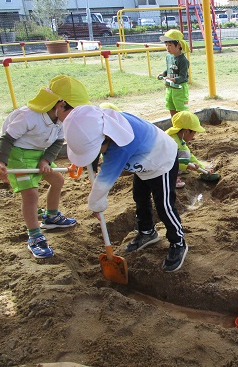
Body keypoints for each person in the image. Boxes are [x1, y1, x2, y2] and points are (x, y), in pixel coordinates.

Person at [63, 105, 187, 272]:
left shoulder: (121, 146)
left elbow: (104, 181)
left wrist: (95, 204)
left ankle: (178, 242)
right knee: (140, 197)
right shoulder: (103, 127)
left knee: (164, 206)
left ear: (106, 138)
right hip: (142, 165)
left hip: (161, 162)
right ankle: (147, 232)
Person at [0, 75, 89, 259]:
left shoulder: (62, 120)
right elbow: (7, 139)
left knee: (58, 180)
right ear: (61, 105)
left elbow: (57, 142)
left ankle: (51, 216)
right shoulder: (28, 116)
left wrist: (45, 160)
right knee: (30, 194)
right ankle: (35, 236)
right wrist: (1, 163)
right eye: (74, 110)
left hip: (38, 153)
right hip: (18, 155)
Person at [165, 111, 219, 188]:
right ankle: (170, 179)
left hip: (167, 162)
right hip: (157, 166)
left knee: (185, 154)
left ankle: (176, 172)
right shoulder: (171, 142)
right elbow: (167, 161)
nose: (194, 136)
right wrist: (186, 166)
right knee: (178, 159)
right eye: (194, 133)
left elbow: (189, 155)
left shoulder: (179, 139)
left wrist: (202, 168)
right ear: (186, 131)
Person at [157, 29, 190, 118]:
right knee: (171, 106)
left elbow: (183, 76)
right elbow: (169, 69)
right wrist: (163, 74)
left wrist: (174, 79)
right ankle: (175, 125)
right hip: (170, 88)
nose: (168, 48)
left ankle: (184, 127)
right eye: (166, 45)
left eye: (170, 45)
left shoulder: (183, 60)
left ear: (178, 45)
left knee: (182, 110)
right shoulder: (168, 57)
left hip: (180, 89)